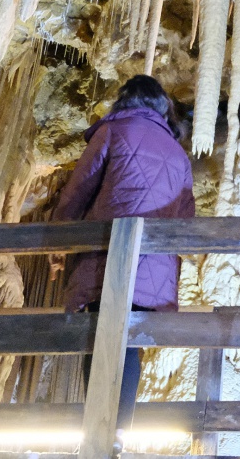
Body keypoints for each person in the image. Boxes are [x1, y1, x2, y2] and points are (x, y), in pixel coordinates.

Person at [52, 75, 195, 452]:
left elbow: (77, 191)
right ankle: (116, 436)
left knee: (101, 337)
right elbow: (186, 225)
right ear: (163, 108)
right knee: (130, 343)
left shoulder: (113, 132)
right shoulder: (179, 156)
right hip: (155, 271)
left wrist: (57, 239)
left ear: (124, 101)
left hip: (108, 258)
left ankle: (95, 432)